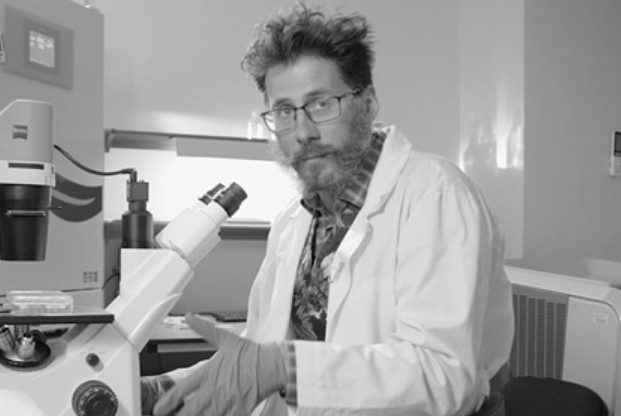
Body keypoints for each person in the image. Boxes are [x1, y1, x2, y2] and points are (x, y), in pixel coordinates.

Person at [141, 3, 514, 416]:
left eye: (321, 104)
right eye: (285, 111)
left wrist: (285, 368)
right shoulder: (294, 220)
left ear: (367, 102)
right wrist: (164, 389)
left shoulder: (435, 195)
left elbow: (442, 375)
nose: (303, 133)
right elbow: (260, 355)